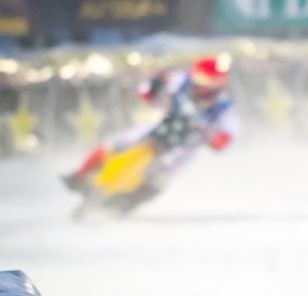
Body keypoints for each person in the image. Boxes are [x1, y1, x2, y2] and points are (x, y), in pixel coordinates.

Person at [63, 56, 239, 210]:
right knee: (114, 143)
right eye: (201, 81)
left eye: (210, 84)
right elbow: (146, 95)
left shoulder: (222, 108)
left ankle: (124, 205)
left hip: (183, 148)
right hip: (159, 128)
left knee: (160, 180)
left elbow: (227, 137)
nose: (203, 88)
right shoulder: (179, 81)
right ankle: (79, 175)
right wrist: (156, 84)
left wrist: (215, 138)